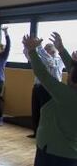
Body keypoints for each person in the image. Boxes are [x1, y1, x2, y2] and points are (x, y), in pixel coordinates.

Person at [22, 33, 77, 166]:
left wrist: (32, 51)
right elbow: (73, 69)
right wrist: (62, 49)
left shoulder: (67, 94)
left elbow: (42, 73)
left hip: (53, 153)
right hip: (70, 154)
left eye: (70, 73)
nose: (68, 73)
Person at [24, 43, 65, 138]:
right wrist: (26, 47)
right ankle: (36, 133)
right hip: (37, 87)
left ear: (53, 51)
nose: (45, 51)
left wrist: (39, 48)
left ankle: (46, 134)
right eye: (45, 49)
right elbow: (30, 58)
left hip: (49, 89)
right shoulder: (43, 58)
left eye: (47, 49)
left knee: (45, 112)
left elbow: (50, 62)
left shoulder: (58, 60)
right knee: (35, 110)